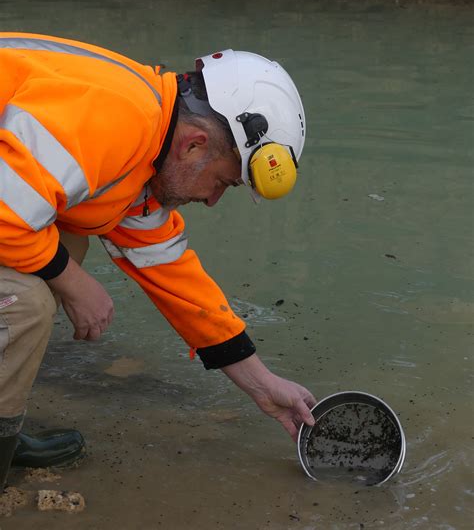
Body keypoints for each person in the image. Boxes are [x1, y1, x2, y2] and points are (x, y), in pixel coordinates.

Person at [0, 33, 316, 491]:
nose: (211, 200)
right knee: (25, 302)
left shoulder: (145, 148)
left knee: (67, 241)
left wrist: (261, 383)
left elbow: (172, 276)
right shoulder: (116, 120)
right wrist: (73, 283)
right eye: (223, 182)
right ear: (194, 145)